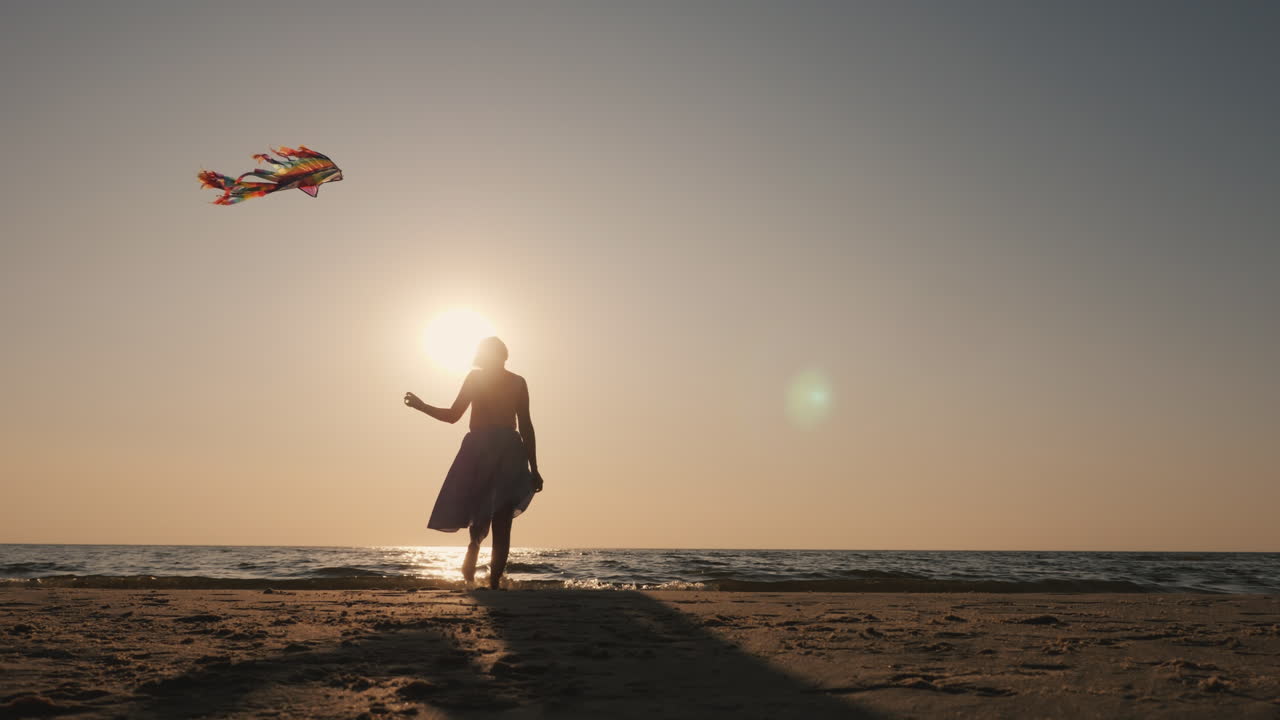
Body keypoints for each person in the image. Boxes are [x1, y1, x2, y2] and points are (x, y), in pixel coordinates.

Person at [404, 337, 543, 589]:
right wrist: (421, 406)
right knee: (492, 517)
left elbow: (524, 424)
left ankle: (486, 571)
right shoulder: (495, 380)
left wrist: (535, 467)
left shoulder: (500, 380)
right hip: (493, 449)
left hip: (495, 449)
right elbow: (455, 416)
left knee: (492, 515)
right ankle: (484, 571)